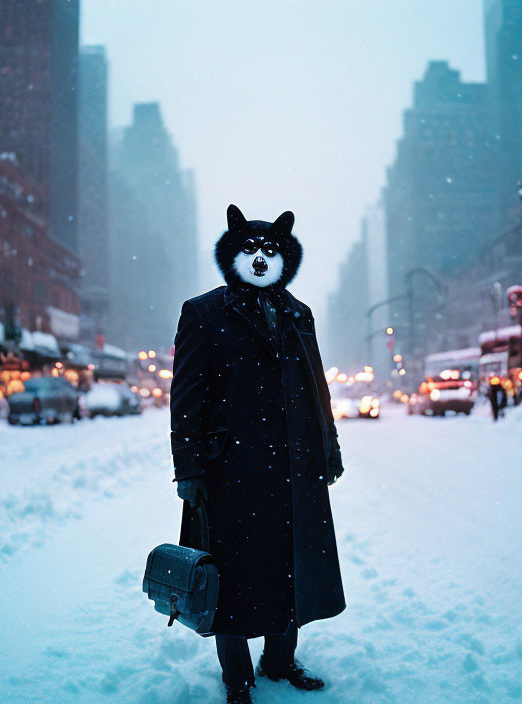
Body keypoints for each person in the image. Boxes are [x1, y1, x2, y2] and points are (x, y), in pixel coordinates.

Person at [170, 205, 345, 704]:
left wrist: (328, 447)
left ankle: (280, 659)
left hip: (294, 467)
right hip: (230, 472)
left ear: (285, 258)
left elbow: (317, 387)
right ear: (232, 255)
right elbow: (185, 400)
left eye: (271, 251)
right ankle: (237, 677)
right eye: (251, 249)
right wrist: (189, 469)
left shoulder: (298, 313)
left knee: (290, 568)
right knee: (233, 575)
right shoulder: (203, 312)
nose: (261, 259)